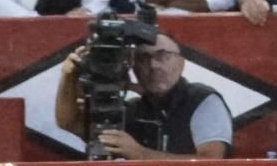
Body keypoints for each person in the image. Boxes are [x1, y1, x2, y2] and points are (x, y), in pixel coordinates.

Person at [53, 30, 233, 159]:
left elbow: (211, 163)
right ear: (133, 68)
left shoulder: (202, 99)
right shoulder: (130, 109)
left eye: (163, 56)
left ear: (181, 64)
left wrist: (139, 153)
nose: (154, 65)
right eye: (143, 58)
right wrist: (68, 75)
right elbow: (70, 123)